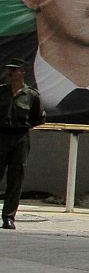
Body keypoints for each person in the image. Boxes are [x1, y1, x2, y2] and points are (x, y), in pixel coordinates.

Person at [1, 57, 44, 229]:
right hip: (1, 136)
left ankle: (9, 217)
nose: (10, 73)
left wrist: (21, 127)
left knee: (16, 178)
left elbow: (38, 118)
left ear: (22, 73)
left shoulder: (31, 95)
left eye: (14, 70)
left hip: (20, 138)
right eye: (9, 70)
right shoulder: (1, 92)